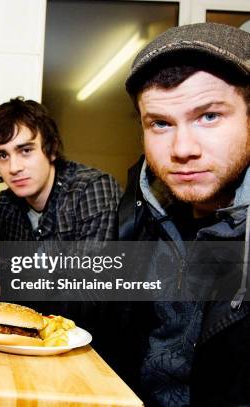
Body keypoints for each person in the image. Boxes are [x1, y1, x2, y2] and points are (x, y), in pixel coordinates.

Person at [113, 22, 249, 406]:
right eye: (160, 123)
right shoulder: (143, 204)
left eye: (209, 116)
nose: (182, 148)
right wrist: (1, 282)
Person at [0, 97, 121, 311]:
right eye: (2, 155)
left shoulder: (91, 188)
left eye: (26, 150)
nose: (13, 167)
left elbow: (91, 292)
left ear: (51, 149)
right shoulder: (6, 203)